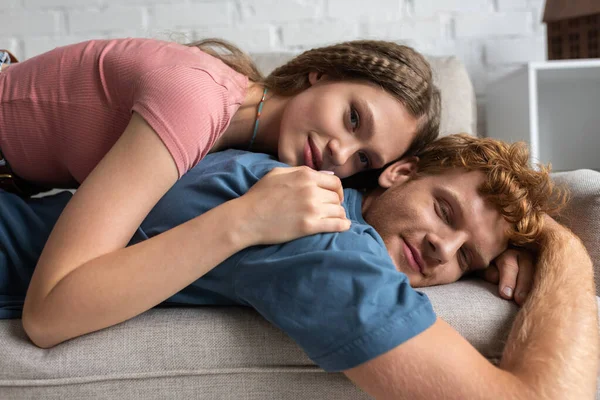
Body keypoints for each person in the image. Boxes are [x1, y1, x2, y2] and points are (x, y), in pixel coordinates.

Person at [2, 134, 596, 399]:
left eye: (466, 256)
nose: (443, 248)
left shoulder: (280, 179)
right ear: (400, 172)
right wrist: (564, 247)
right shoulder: (328, 240)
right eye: (444, 210)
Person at [0, 37, 441, 342]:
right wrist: (246, 220)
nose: (340, 153)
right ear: (320, 74)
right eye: (353, 118)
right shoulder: (197, 100)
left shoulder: (244, 135)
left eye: (363, 159)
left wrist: (505, 248)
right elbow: (47, 315)